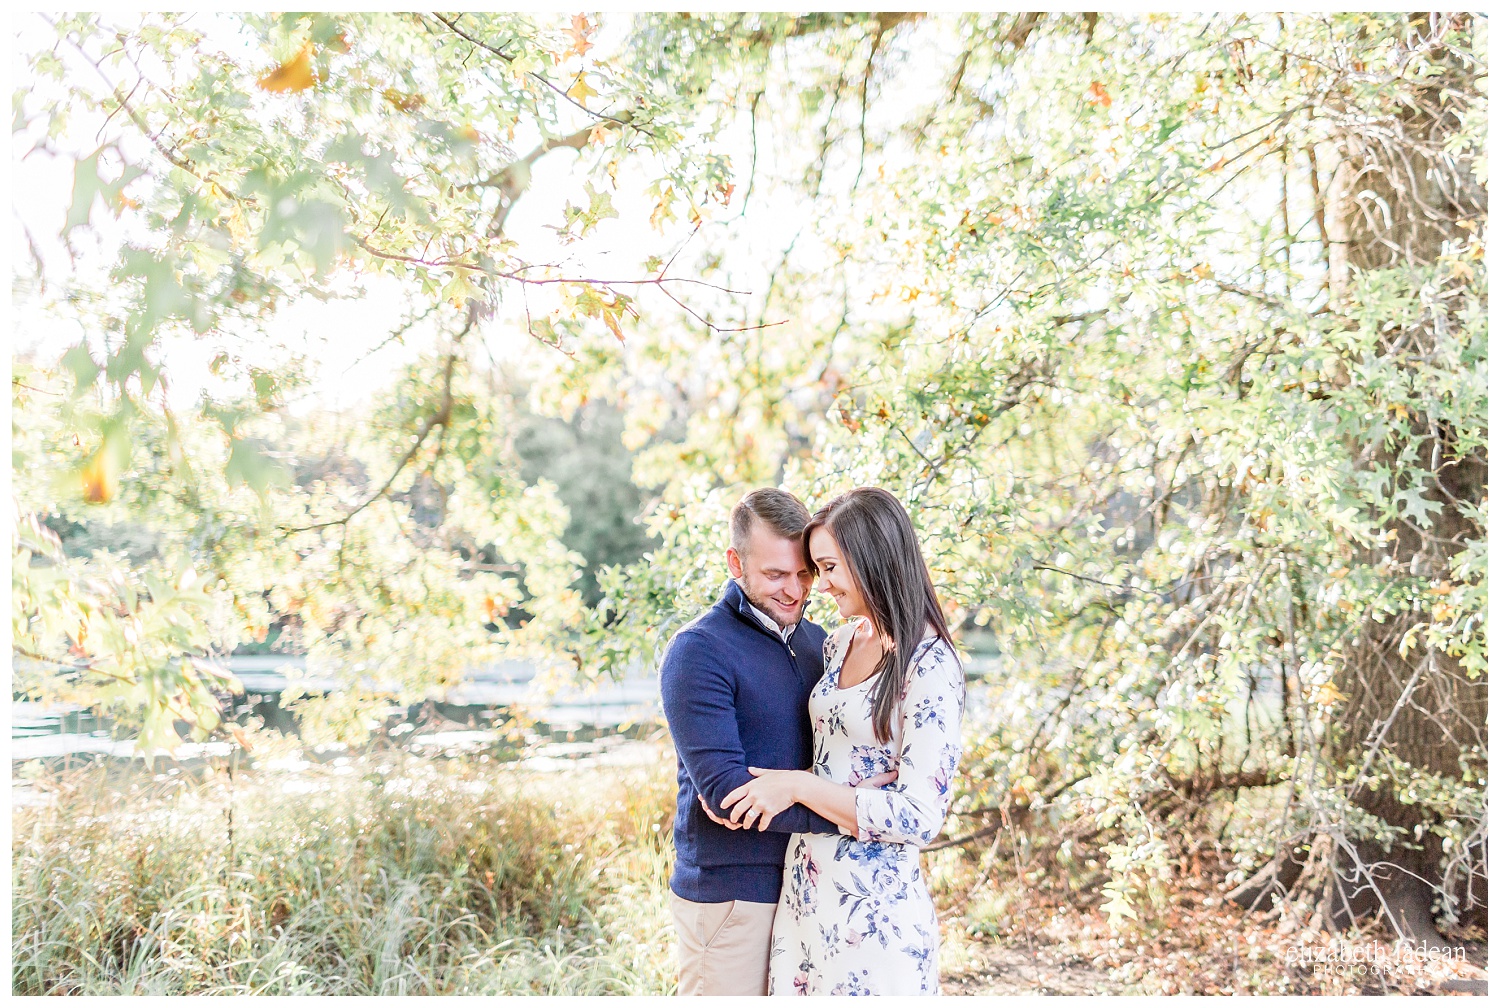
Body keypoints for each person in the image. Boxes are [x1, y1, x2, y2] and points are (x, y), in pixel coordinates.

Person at [718, 486, 965, 996]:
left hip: (875, 912)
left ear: (870, 560)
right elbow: (836, 763)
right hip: (806, 890)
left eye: (828, 568)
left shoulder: (929, 663)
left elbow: (920, 815)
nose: (819, 586)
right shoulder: (841, 642)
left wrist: (797, 787)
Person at [658, 488, 895, 996]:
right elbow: (728, 796)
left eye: (805, 574)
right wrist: (862, 812)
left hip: (815, 888)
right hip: (731, 897)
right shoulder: (698, 652)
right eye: (774, 575)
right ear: (735, 563)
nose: (794, 590)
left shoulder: (821, 646)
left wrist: (827, 800)